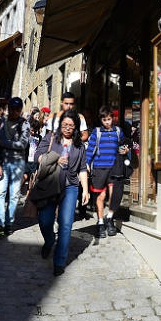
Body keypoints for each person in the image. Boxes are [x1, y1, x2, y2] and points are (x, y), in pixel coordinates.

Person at [33, 111, 89, 276]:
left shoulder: (79, 146)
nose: (67, 128)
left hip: (71, 187)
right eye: (65, 125)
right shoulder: (51, 138)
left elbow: (83, 169)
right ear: (60, 125)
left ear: (76, 127)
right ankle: (50, 240)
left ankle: (59, 261)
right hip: (51, 183)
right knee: (45, 220)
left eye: (71, 125)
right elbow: (37, 156)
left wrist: (85, 190)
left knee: (65, 224)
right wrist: (54, 159)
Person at [86, 106, 130, 238]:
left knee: (114, 196)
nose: (107, 122)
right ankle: (100, 222)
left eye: (109, 119)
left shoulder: (118, 131)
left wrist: (125, 150)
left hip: (114, 168)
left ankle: (109, 218)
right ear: (101, 120)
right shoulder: (97, 132)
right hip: (100, 168)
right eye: (104, 120)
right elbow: (90, 149)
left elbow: (123, 145)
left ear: (113, 119)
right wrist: (87, 163)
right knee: (101, 197)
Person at [0, 96, 30, 238]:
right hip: (2, 163)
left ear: (20, 110)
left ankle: (9, 223)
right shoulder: (0, 123)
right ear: (9, 109)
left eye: (17, 109)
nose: (15, 112)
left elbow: (22, 145)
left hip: (17, 164)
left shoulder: (25, 124)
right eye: (12, 109)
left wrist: (2, 143)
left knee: (14, 196)